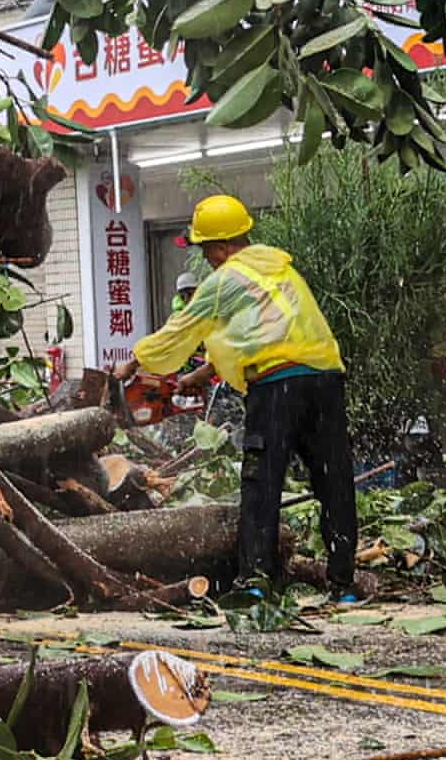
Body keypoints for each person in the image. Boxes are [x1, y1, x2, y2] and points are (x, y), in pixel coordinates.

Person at [128, 193, 356, 605]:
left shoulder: (226, 280)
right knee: (333, 481)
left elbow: (178, 333)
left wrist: (131, 364)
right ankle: (344, 586)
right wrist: (200, 375)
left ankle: (255, 581)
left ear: (217, 247)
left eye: (204, 250)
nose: (207, 259)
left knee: (261, 484)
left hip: (276, 389)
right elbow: (265, 334)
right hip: (326, 381)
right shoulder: (282, 271)